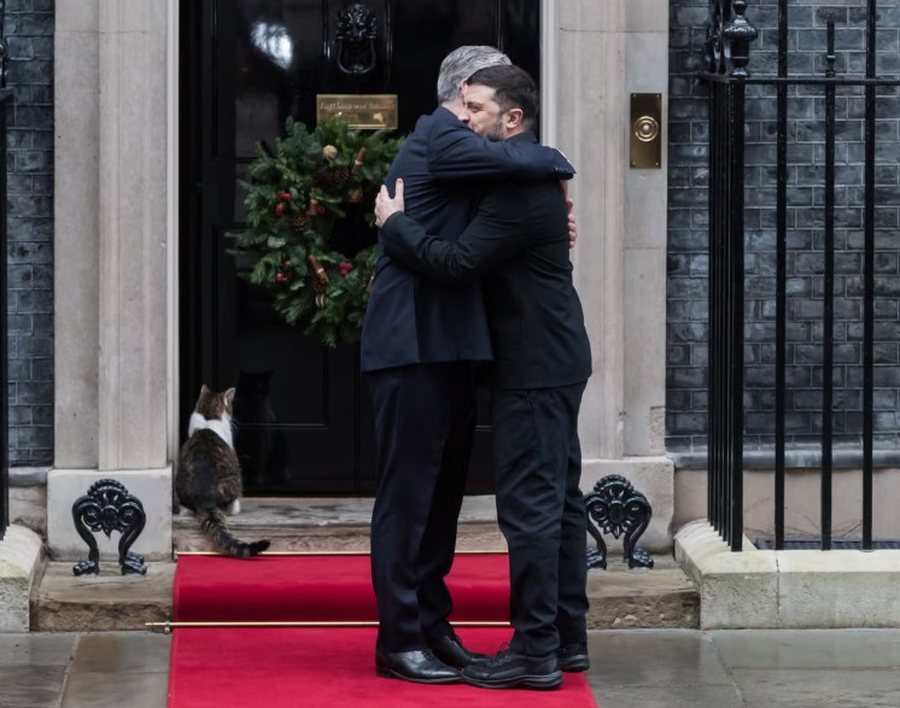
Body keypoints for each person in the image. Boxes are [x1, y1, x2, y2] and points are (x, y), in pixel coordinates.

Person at [361, 48, 576, 685]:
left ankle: (431, 624)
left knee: (441, 498)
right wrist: (560, 164)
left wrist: (553, 193)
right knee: (408, 500)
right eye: (483, 95)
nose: (491, 105)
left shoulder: (475, 149)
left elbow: (510, 178)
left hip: (452, 345)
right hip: (412, 343)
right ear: (462, 91)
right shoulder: (440, 135)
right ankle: (399, 640)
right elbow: (520, 156)